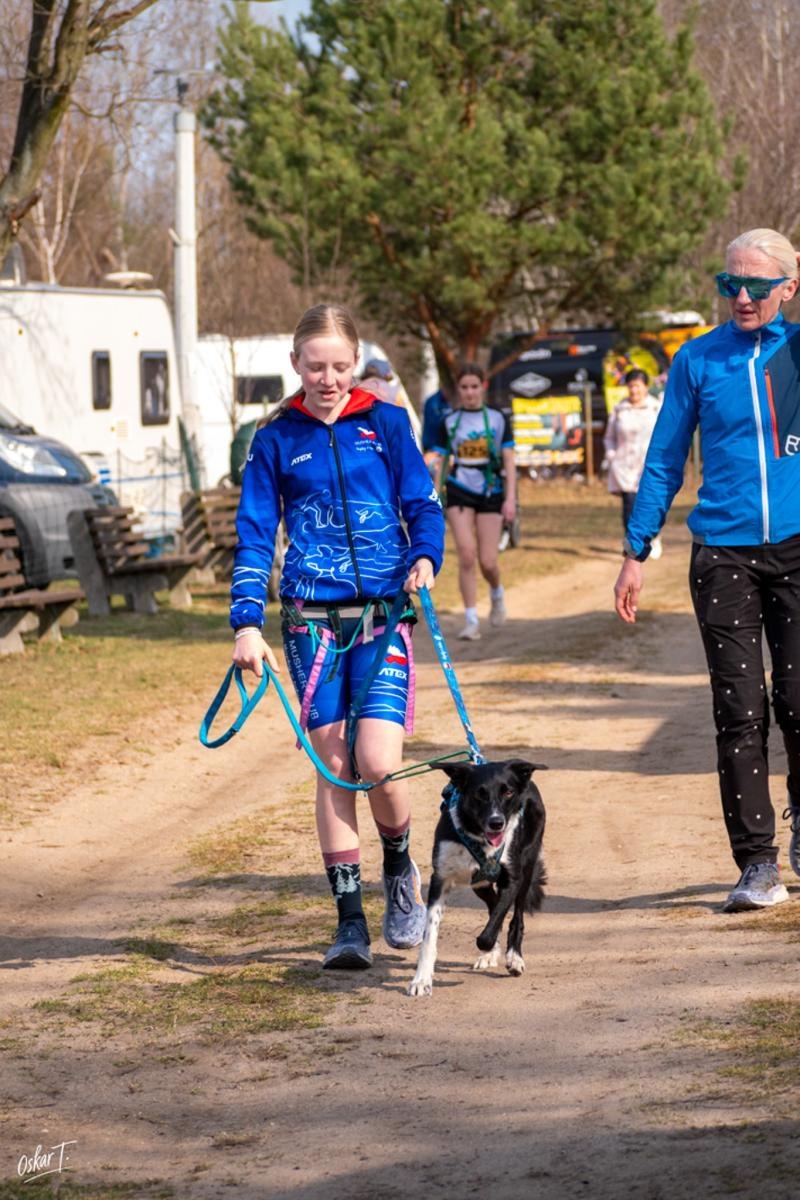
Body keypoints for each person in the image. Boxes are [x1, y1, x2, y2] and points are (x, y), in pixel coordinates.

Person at [230, 303, 445, 970]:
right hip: (310, 622)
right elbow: (255, 535)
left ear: (357, 365)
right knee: (336, 767)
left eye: (341, 366)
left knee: (379, 760)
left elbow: (421, 503)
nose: (328, 378)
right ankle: (349, 921)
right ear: (295, 364)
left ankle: (400, 873)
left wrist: (424, 555)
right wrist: (245, 623)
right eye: (315, 366)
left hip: (385, 615)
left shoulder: (385, 423)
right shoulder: (273, 439)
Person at [613, 228, 800, 913]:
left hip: (798, 548)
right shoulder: (697, 360)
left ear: (786, 285)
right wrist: (637, 550)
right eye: (730, 284)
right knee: (739, 710)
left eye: (756, 285)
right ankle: (756, 864)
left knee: (799, 701)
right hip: (722, 553)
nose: (741, 298)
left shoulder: (797, 350)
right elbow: (663, 458)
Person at [432, 362, 516, 640]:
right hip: (459, 488)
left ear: (483, 387)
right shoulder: (449, 420)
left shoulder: (497, 418)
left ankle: (497, 592)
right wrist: (434, 496)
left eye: (474, 387)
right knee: (466, 554)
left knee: (488, 560)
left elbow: (509, 460)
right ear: (459, 389)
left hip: (491, 489)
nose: (469, 392)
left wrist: (511, 498)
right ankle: (470, 619)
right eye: (464, 387)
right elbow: (442, 459)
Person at [603, 368, 663, 559]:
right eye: (630, 386)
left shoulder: (656, 408)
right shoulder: (619, 409)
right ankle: (632, 544)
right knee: (629, 506)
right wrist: (612, 457)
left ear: (646, 387)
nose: (634, 391)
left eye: (637, 386)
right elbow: (609, 437)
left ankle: (654, 537)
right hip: (624, 467)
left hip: (648, 466)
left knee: (649, 504)